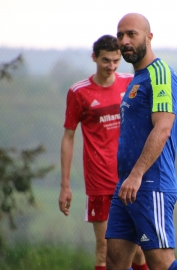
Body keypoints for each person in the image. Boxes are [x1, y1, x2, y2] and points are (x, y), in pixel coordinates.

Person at [105, 13, 177, 270]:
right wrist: (128, 178)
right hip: (127, 186)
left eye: (132, 34)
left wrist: (137, 173)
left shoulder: (160, 74)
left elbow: (163, 128)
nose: (125, 40)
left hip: (150, 183)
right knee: (115, 260)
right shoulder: (138, 78)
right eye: (120, 35)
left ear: (149, 37)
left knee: (161, 263)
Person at [58, 35, 148, 270]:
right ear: (94, 58)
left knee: (139, 250)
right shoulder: (79, 92)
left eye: (116, 60)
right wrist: (65, 185)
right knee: (105, 249)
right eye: (106, 60)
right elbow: (68, 137)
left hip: (129, 178)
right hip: (99, 181)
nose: (111, 66)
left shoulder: (131, 83)